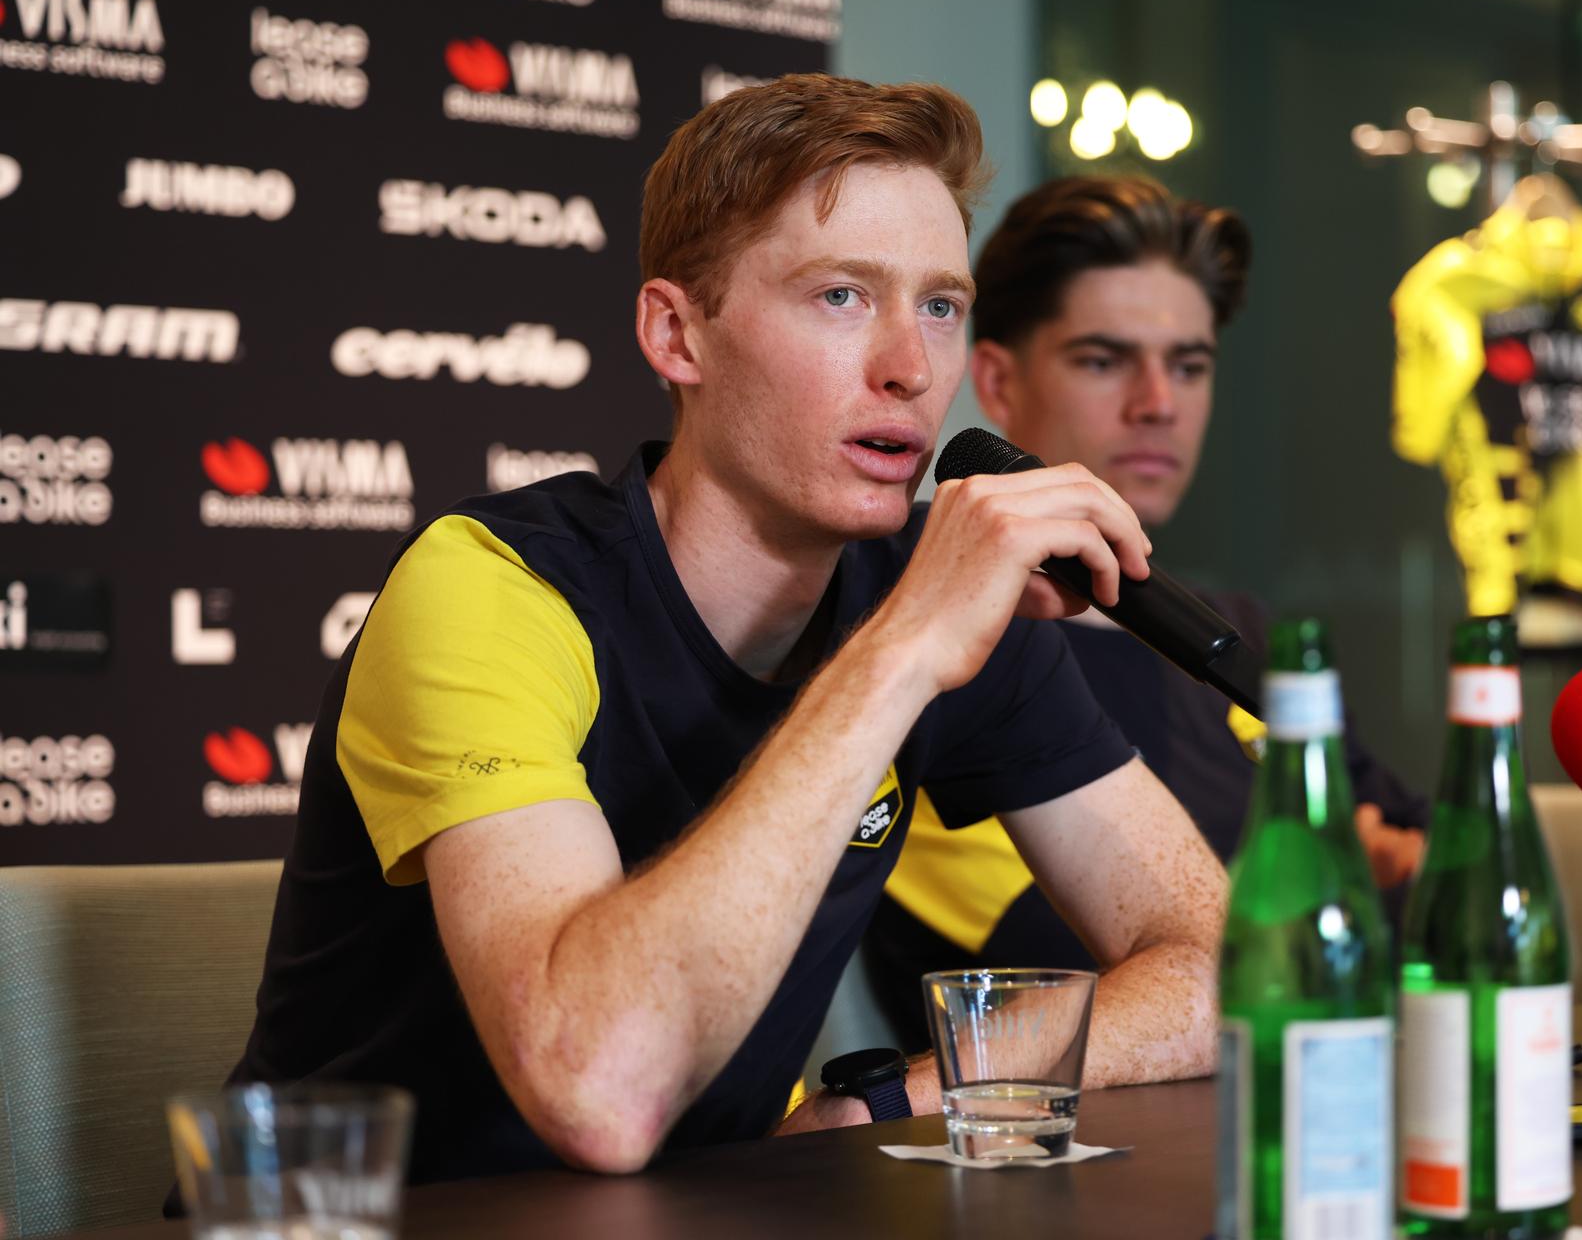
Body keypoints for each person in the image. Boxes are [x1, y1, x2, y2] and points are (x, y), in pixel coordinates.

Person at [213, 78, 1226, 1185]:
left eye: (940, 304)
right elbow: (599, 1093)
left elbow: (1227, 966)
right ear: (676, 333)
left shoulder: (937, 591)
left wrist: (908, 1091)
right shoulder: (492, 588)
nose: (911, 365)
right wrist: (898, 653)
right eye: (841, 296)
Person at [862, 176, 1428, 1049]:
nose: (1158, 401)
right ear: (999, 383)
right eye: (1103, 359)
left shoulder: (1242, 630)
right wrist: (1337, 883)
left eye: (1189, 365)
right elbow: (1083, 959)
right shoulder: (937, 641)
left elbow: (1437, 879)